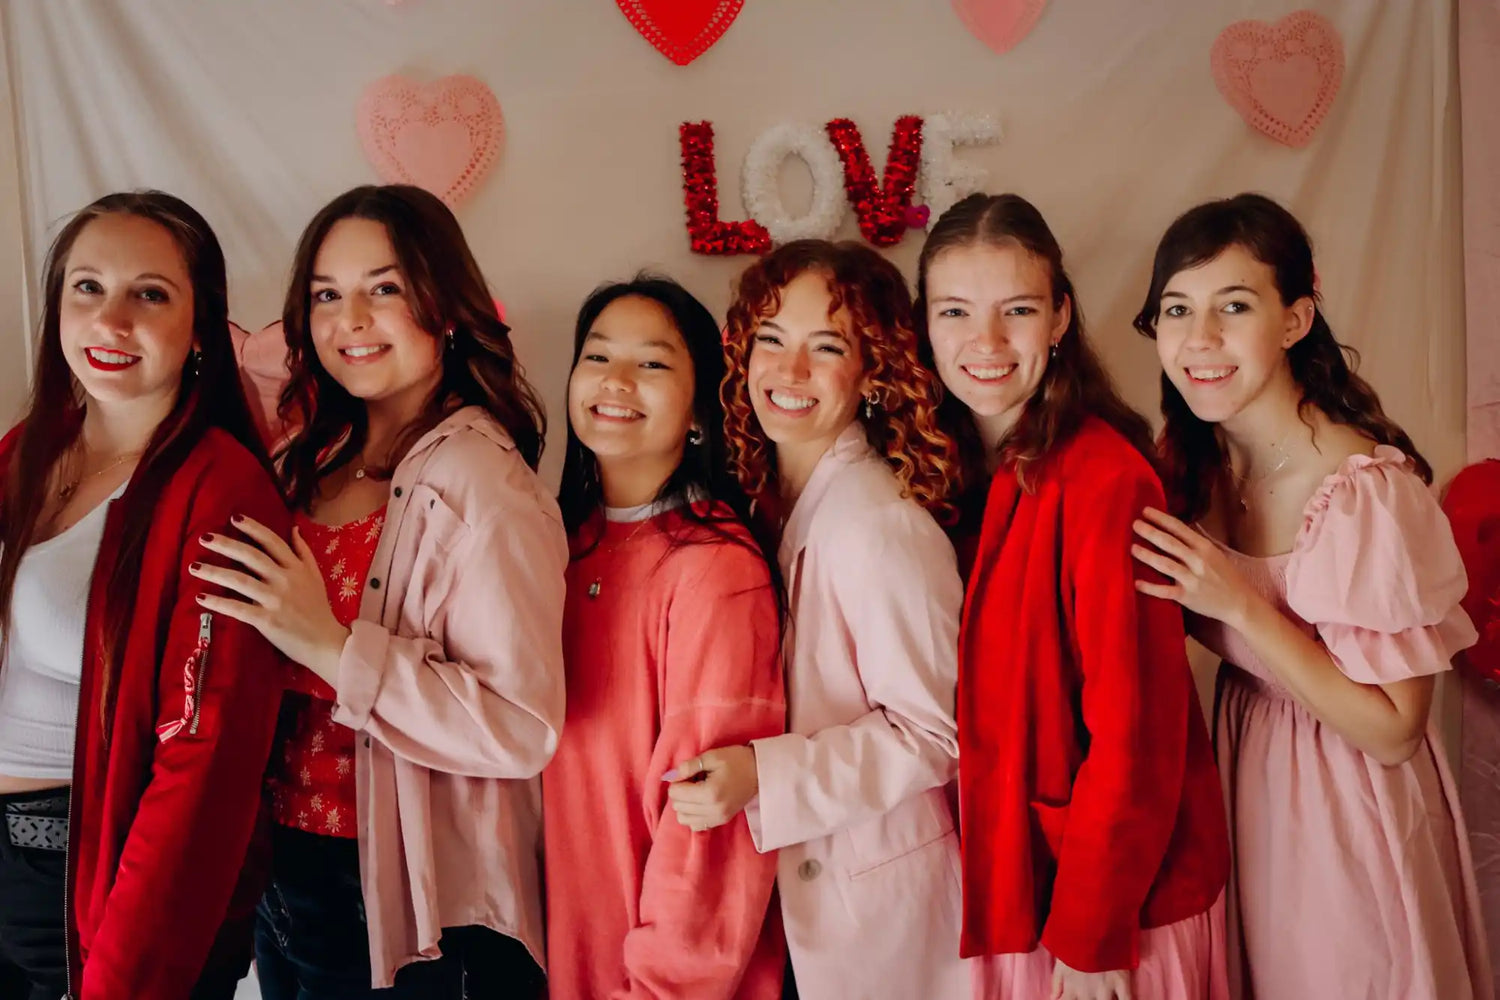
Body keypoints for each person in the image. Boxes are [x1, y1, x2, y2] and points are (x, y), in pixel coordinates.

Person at [199, 184, 565, 997]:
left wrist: (327, 643)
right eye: (326, 295)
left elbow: (520, 726)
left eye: (384, 289)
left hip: (402, 891)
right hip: (280, 866)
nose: (350, 320)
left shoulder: (479, 480)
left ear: (445, 306)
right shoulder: (310, 450)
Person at [1131, 192, 1490, 999]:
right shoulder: (1198, 468)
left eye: (1235, 305)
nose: (1202, 339)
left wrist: (1241, 603)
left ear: (1294, 321)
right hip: (1245, 786)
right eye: (1178, 310)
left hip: (1346, 811)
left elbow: (1395, 731)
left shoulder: (1363, 492)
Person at [0, 190, 289, 999]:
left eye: (149, 294)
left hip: (78, 885)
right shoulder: (29, 453)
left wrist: (128, 977)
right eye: (87, 287)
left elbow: (205, 761)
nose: (110, 319)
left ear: (201, 327)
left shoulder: (222, 490)